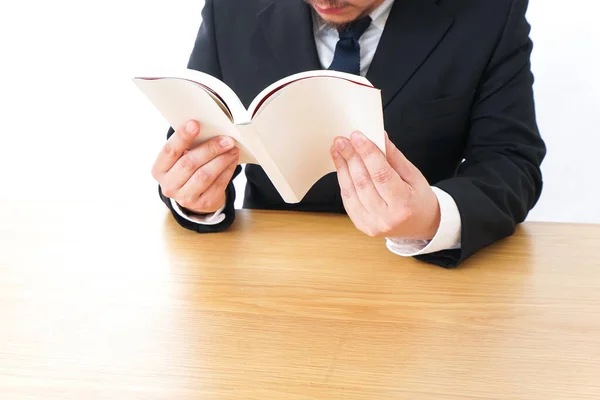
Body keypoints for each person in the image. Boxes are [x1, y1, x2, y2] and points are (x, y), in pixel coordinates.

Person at [150, 0, 546, 268]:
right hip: (266, 268)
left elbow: (510, 160)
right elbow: (196, 137)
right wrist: (197, 198)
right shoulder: (230, 8)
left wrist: (434, 218)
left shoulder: (490, 12)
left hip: (422, 280)